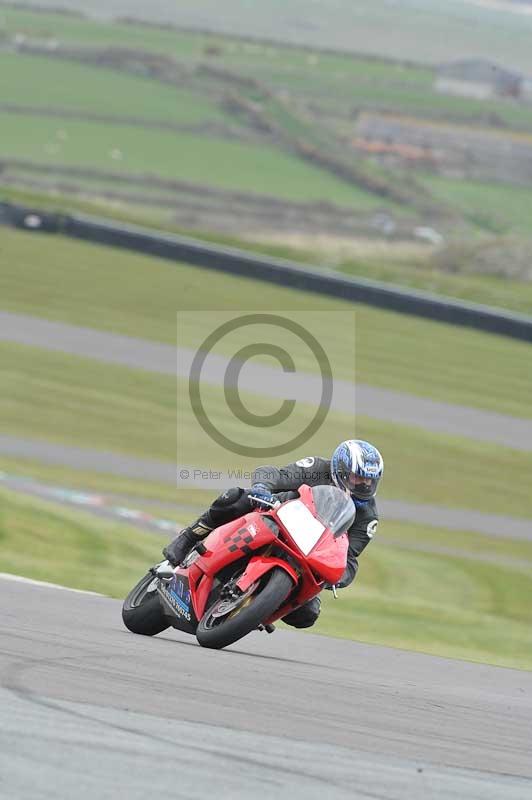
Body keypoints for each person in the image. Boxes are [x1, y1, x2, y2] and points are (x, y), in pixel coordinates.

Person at [163, 439, 383, 629]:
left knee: (308, 614)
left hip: (308, 554)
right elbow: (274, 474)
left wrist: (336, 576)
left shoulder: (367, 517)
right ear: (341, 470)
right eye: (357, 478)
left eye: (369, 481)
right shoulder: (317, 468)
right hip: (277, 515)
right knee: (235, 498)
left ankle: (257, 611)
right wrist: (262, 488)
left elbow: (349, 556)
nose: (363, 485)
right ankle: (189, 537)